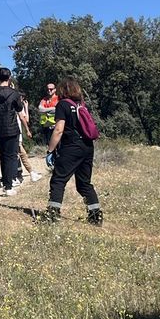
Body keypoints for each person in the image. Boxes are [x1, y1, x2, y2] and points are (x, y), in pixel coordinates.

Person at [43, 76, 102, 225]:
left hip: (72, 147)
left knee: (58, 180)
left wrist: (50, 150)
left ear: (62, 90)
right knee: (84, 183)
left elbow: (58, 130)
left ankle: (52, 215)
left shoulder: (62, 105)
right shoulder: (81, 104)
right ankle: (95, 217)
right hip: (88, 147)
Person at [0, 67, 25, 195]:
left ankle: (6, 184)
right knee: (11, 156)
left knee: (2, 157)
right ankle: (9, 184)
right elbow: (19, 108)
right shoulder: (14, 93)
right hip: (12, 127)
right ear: (9, 78)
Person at [37, 83, 59, 149]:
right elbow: (40, 109)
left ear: (55, 90)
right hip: (46, 126)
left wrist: (45, 110)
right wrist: (51, 109)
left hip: (56, 126)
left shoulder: (58, 99)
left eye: (51, 89)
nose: (49, 91)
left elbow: (57, 110)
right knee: (49, 146)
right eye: (48, 89)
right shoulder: (44, 99)